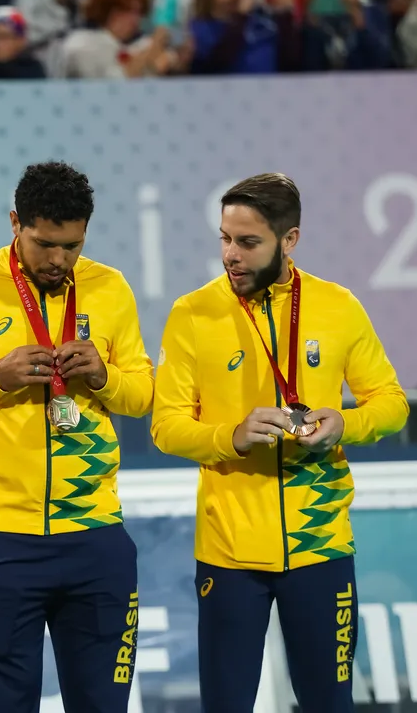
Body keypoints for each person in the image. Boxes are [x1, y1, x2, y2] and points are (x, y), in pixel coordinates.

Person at [151, 173, 410, 713]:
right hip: (229, 555)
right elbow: (166, 427)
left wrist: (344, 423)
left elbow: (390, 402)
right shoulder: (192, 313)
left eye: (248, 242)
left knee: (329, 705)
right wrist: (232, 437)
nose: (231, 255)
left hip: (321, 545)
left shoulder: (336, 306)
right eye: (224, 238)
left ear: (288, 240)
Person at [0, 161, 155, 712]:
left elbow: (144, 395)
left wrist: (104, 376)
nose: (58, 260)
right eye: (44, 243)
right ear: (14, 223)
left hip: (95, 533)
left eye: (71, 246)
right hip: (2, 537)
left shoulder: (109, 287)